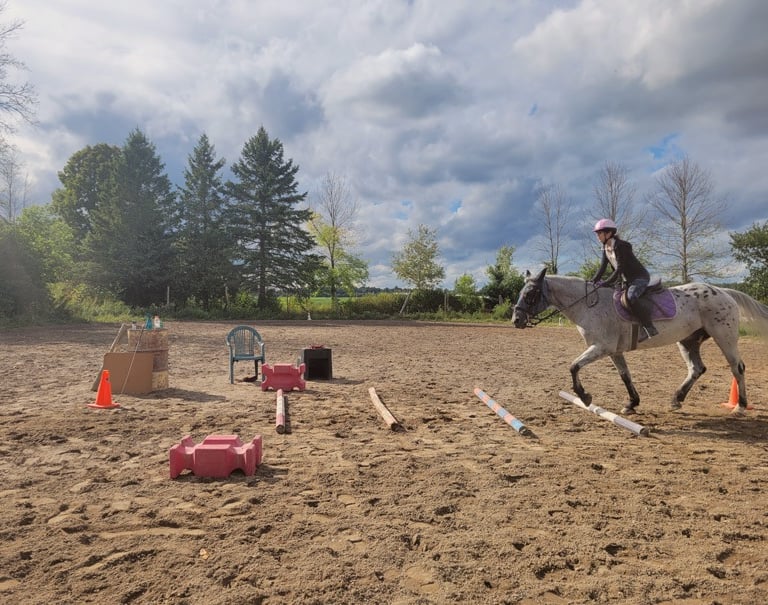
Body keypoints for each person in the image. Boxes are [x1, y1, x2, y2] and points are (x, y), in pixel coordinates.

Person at [590, 218, 658, 337]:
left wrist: (606, 282)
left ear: (609, 233)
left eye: (599, 233)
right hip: (626, 281)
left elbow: (620, 269)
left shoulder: (622, 246)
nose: (598, 236)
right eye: (597, 234)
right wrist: (592, 281)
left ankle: (649, 327)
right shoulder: (606, 248)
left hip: (639, 278)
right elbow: (602, 268)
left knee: (631, 297)